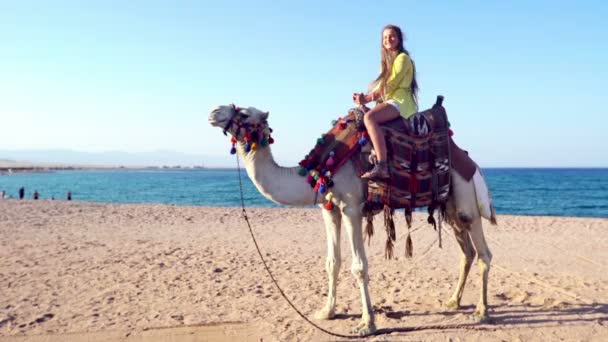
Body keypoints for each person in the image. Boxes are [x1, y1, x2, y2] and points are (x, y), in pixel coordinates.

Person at [353, 24, 419, 179]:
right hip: (390, 101)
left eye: (391, 36)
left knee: (369, 118)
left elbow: (390, 85)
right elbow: (382, 89)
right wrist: (363, 101)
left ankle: (382, 165)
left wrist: (367, 99)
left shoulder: (402, 59)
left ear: (399, 39)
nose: (388, 39)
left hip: (400, 102)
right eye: (384, 37)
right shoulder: (388, 63)